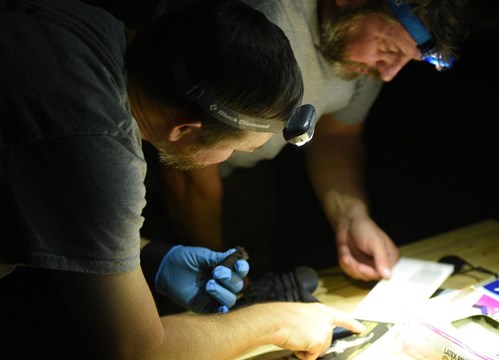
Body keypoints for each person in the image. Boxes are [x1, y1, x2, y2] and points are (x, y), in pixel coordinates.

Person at [0, 0, 366, 358]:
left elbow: (51, 192)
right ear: (185, 129)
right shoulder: (102, 150)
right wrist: (276, 321)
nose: (231, 158)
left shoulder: (87, 26)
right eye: (236, 151)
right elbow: (135, 351)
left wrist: (151, 255)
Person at [135, 0, 473, 282]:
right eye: (388, 49)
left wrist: (352, 216)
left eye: (405, 60)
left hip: (243, 176)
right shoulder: (268, 19)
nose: (388, 73)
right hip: (165, 170)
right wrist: (216, 264)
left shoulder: (365, 57)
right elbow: (187, 155)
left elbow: (338, 136)